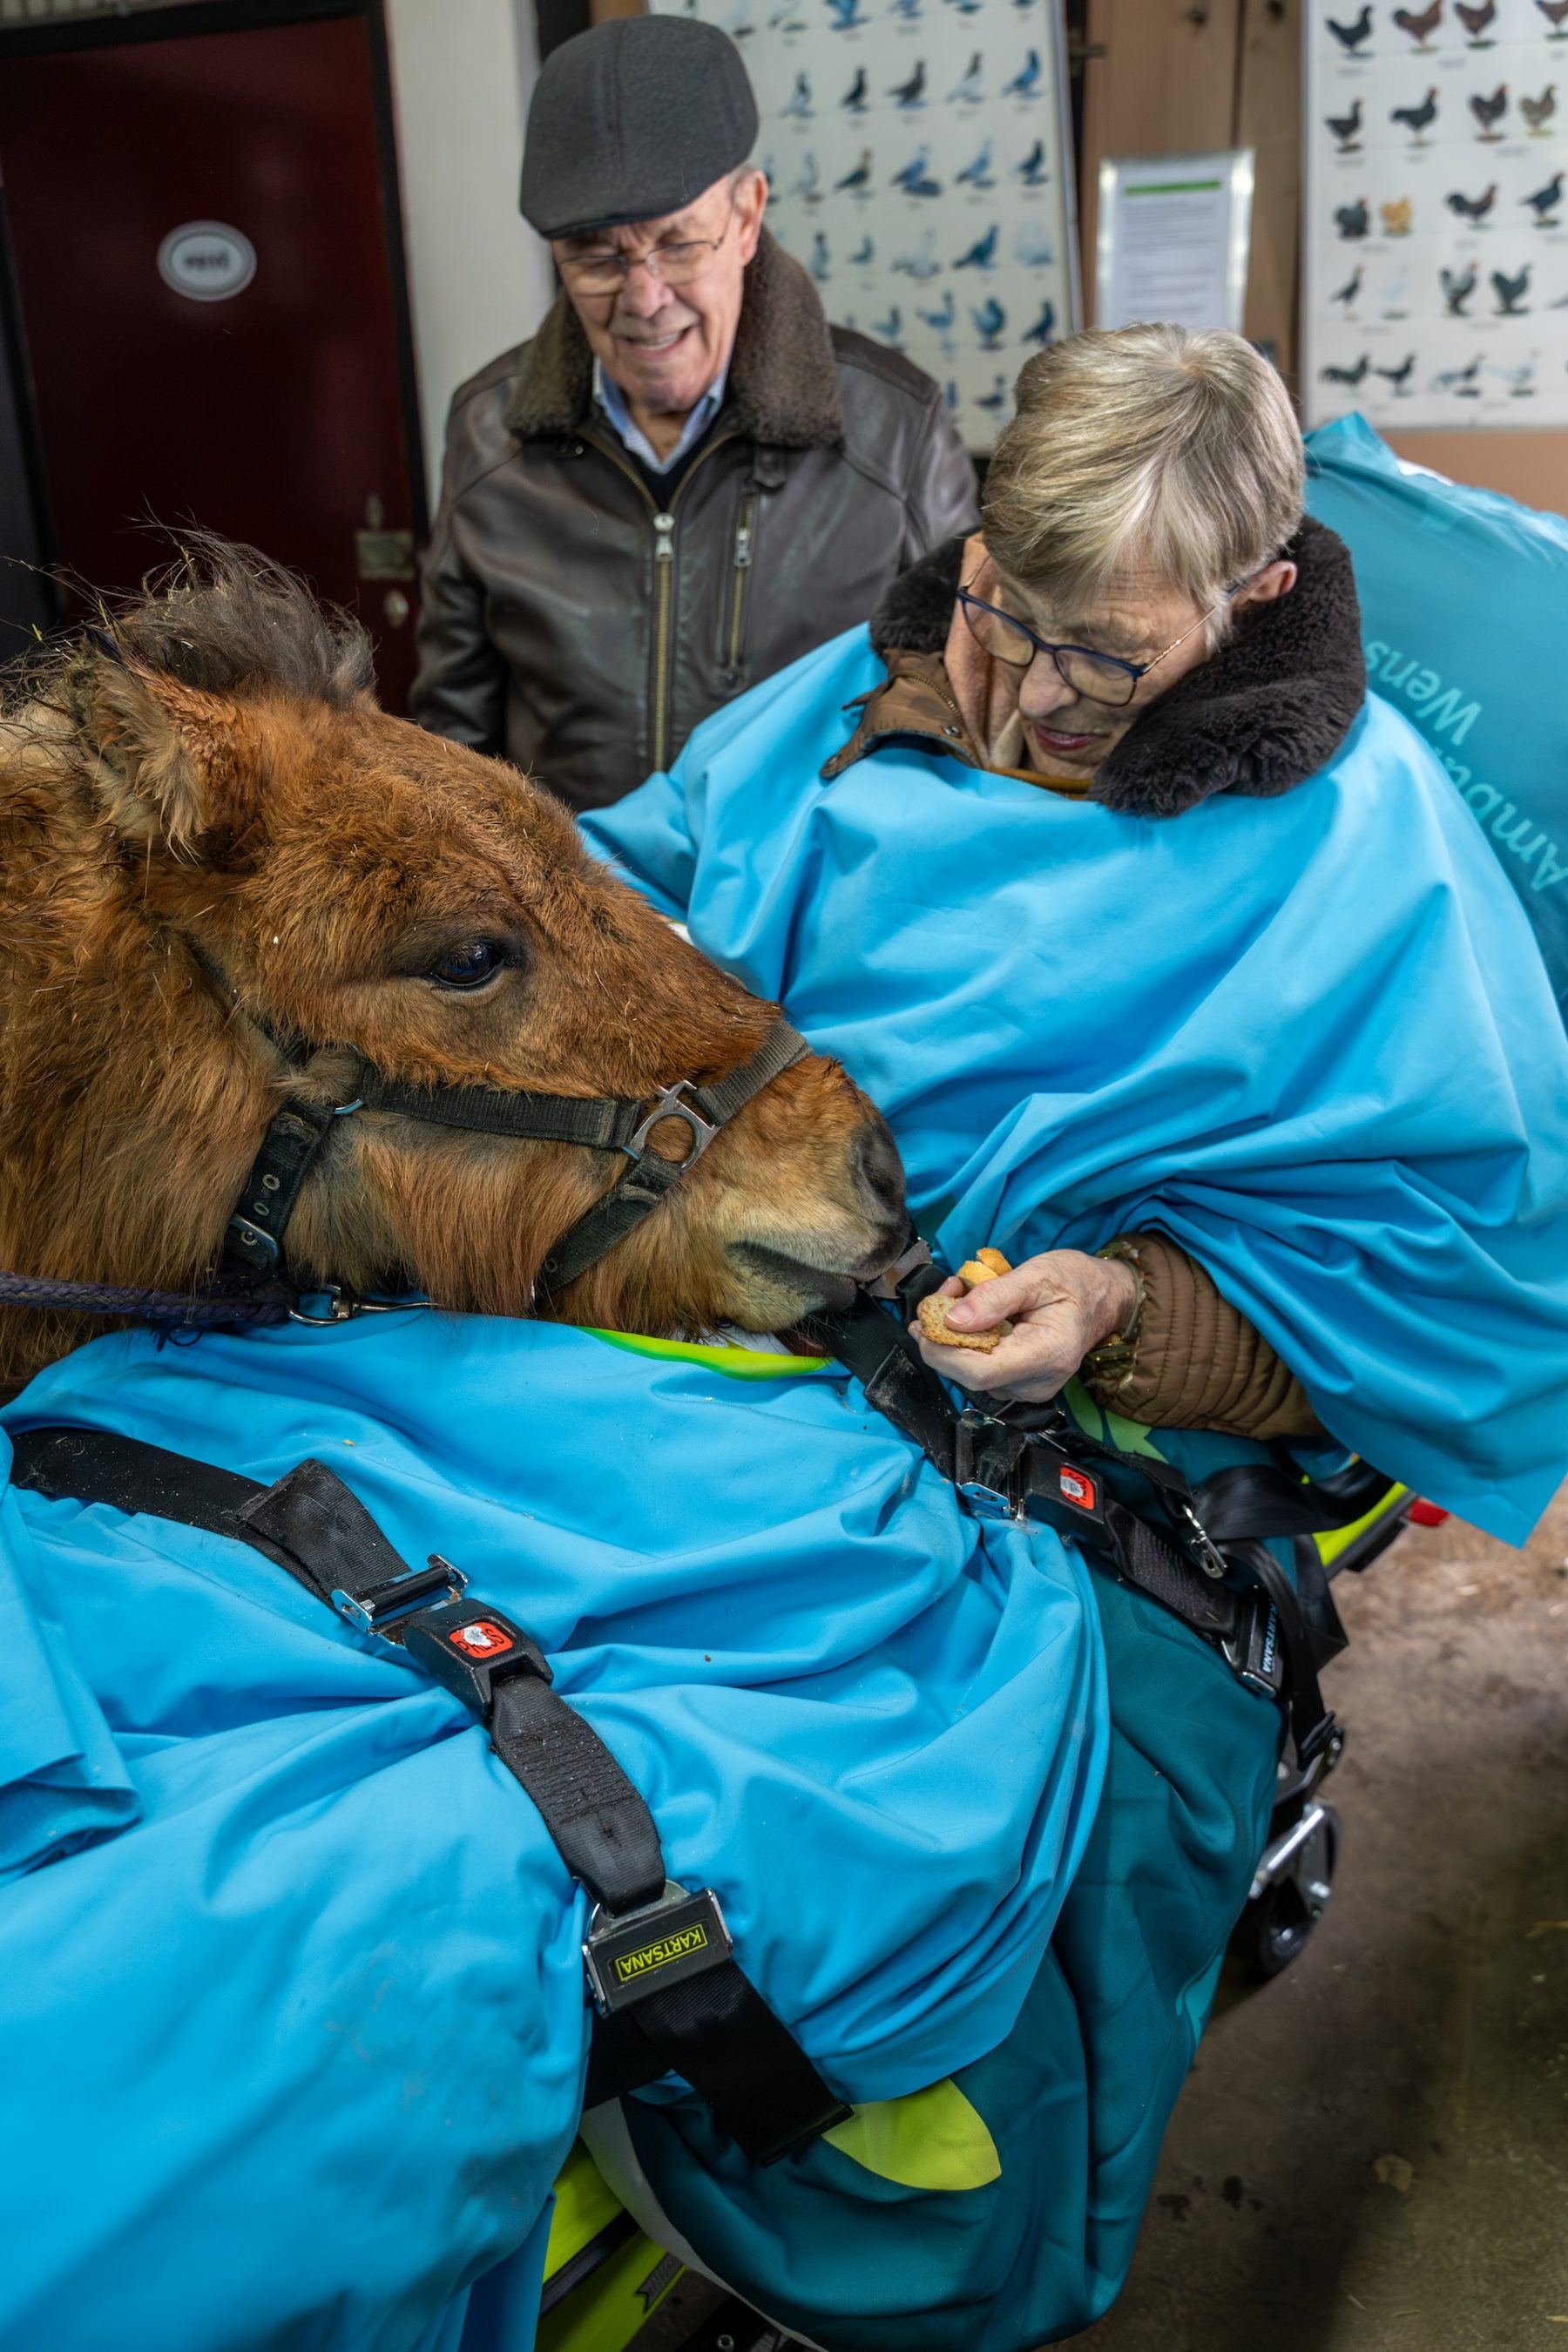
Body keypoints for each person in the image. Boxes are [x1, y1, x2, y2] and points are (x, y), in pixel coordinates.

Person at [584, 323, 1568, 1535]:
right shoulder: (904, 673)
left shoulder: (1364, 841)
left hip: (956, 1402)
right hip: (689, 1231)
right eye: (1011, 611)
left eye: (1109, 657)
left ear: (1257, 596)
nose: (1040, 696)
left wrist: (1116, 1306)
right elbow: (619, 867)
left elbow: (1446, 1270)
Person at [410, 13, 978, 814]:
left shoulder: (896, 432)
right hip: (580, 912)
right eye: (596, 257)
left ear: (746, 217)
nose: (645, 300)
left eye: (678, 244)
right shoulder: (487, 432)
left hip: (801, 910)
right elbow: (451, 748)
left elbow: (962, 719)